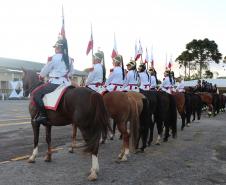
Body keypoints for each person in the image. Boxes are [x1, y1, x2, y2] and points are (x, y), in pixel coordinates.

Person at [32, 36, 74, 125]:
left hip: (55, 83)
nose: (55, 49)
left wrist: (41, 76)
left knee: (36, 94)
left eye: (56, 47)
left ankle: (43, 116)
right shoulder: (69, 59)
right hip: (66, 83)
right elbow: (71, 72)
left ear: (59, 47)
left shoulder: (53, 58)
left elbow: (45, 70)